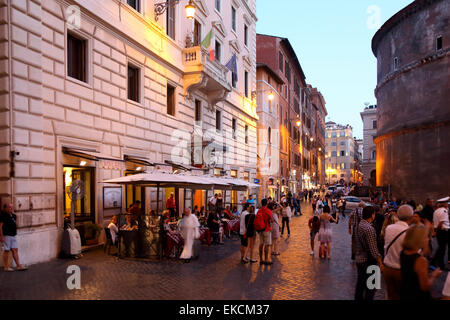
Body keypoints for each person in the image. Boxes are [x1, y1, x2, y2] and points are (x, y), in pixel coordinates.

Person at [400, 225, 442, 300]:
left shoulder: (403, 252)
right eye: (426, 237)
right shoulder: (421, 260)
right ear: (419, 239)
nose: (428, 239)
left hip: (406, 292)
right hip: (418, 295)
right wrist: (434, 275)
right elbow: (425, 286)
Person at [382, 205, 413, 300]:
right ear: (411, 217)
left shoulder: (389, 228)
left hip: (388, 267)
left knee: (390, 296)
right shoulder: (410, 232)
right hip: (401, 269)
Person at [354, 206, 384, 301]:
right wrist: (380, 262)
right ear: (372, 215)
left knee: (360, 285)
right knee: (371, 287)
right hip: (369, 261)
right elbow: (373, 249)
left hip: (359, 259)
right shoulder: (369, 229)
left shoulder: (359, 225)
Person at [0, 203, 27, 271]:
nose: (11, 208)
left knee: (15, 250)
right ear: (5, 208)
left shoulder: (14, 216)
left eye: (12, 207)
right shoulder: (3, 215)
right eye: (9, 207)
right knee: (7, 250)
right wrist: (1, 236)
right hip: (7, 236)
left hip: (13, 235)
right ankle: (6, 266)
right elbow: (0, 226)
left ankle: (18, 265)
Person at [431, 197, 449, 270]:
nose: (447, 204)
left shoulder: (436, 211)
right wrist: (437, 231)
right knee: (442, 249)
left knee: (441, 248)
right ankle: (441, 265)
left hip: (439, 231)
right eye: (446, 202)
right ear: (443, 204)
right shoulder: (444, 211)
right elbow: (441, 223)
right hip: (443, 231)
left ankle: (434, 262)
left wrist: (435, 231)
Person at [256, 199, 273, 265]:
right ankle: (266, 259)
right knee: (267, 244)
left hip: (260, 229)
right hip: (266, 229)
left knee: (261, 244)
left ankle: (261, 259)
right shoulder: (268, 210)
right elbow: (271, 220)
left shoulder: (259, 210)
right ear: (266, 204)